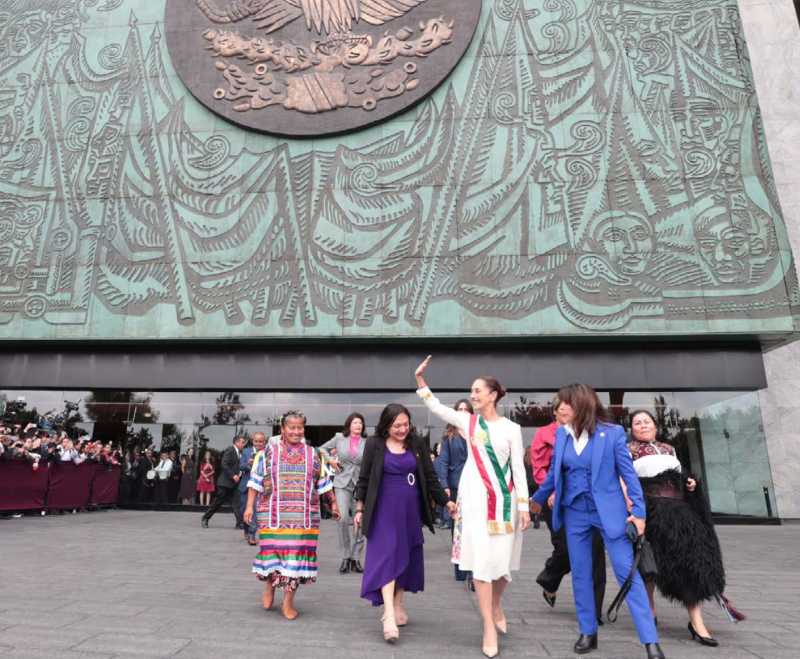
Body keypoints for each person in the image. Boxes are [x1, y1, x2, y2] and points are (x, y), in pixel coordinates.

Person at [530, 384, 665, 659]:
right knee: (581, 573)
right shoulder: (562, 435)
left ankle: (650, 641)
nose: (560, 408)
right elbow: (555, 475)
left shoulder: (612, 433)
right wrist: (535, 500)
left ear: (582, 404)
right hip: (575, 512)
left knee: (626, 571)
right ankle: (588, 632)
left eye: (566, 403)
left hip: (609, 512)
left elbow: (628, 476)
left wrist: (638, 513)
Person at [415, 356, 530, 659]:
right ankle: (488, 627)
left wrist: (523, 506)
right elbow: (438, 408)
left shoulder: (512, 429)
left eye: (478, 390)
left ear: (493, 395)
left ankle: (494, 604)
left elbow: (518, 469)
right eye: (472, 391)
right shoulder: (468, 422)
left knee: (502, 569)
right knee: (481, 566)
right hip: (476, 502)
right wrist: (421, 383)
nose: (473, 395)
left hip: (504, 504)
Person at [628, 410, 737, 647]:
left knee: (690, 565)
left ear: (655, 425)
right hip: (651, 514)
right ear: (632, 428)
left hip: (680, 515)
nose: (643, 425)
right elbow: (625, 483)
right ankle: (649, 613)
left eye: (647, 421)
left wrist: (690, 482)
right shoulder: (628, 450)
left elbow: (680, 476)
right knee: (648, 565)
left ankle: (697, 622)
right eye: (637, 422)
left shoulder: (669, 448)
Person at [355, 403, 455, 644]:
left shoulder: (417, 443)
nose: (402, 429)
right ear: (386, 425)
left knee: (404, 556)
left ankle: (398, 603)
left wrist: (446, 502)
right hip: (382, 511)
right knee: (388, 557)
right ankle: (388, 613)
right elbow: (365, 478)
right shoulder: (374, 444)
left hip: (409, 511)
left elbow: (430, 478)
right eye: (396, 425)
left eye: (405, 424)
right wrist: (359, 508)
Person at [243, 411, 340, 620]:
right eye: (292, 427)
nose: (296, 431)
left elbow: (323, 482)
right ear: (283, 429)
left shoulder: (314, 454)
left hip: (304, 518)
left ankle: (288, 601)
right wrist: (249, 507)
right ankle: (269, 585)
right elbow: (255, 481)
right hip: (272, 516)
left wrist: (333, 503)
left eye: (300, 427)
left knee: (295, 561)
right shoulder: (267, 453)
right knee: (273, 556)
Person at [531, 396, 606, 619]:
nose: (564, 409)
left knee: (594, 553)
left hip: (590, 502)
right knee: (565, 549)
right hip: (557, 501)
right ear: (554, 412)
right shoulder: (544, 434)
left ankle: (594, 610)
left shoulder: (591, 433)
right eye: (560, 406)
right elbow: (540, 469)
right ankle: (549, 579)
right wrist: (553, 492)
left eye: (569, 406)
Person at [319, 413, 367, 574]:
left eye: (360, 423)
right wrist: (331, 460)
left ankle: (356, 558)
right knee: (343, 519)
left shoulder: (367, 442)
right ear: (349, 425)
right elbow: (322, 449)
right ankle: (345, 556)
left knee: (360, 521)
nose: (358, 425)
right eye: (355, 422)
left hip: (360, 485)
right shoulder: (339, 438)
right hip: (342, 483)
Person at [434, 398, 474, 586]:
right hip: (456, 485)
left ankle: (475, 569)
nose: (464, 412)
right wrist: (444, 485)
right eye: (460, 409)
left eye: (467, 409)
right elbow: (442, 461)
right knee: (458, 527)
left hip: (477, 485)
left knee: (475, 527)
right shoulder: (449, 436)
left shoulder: (478, 431)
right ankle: (460, 569)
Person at [201, 436, 246, 528]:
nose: (243, 444)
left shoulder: (239, 453)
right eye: (242, 442)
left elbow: (237, 466)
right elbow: (224, 464)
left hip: (234, 483)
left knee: (236, 503)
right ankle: (205, 518)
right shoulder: (230, 450)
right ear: (236, 442)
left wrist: (240, 473)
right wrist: (233, 475)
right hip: (225, 483)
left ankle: (239, 523)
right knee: (218, 502)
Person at [239, 432, 267, 544]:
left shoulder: (267, 453)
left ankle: (252, 534)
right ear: (252, 441)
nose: (258, 443)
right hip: (245, 487)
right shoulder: (246, 452)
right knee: (243, 511)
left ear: (264, 442)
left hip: (260, 487)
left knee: (254, 510)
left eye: (261, 441)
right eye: (256, 441)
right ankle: (246, 529)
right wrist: (249, 464)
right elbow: (240, 466)